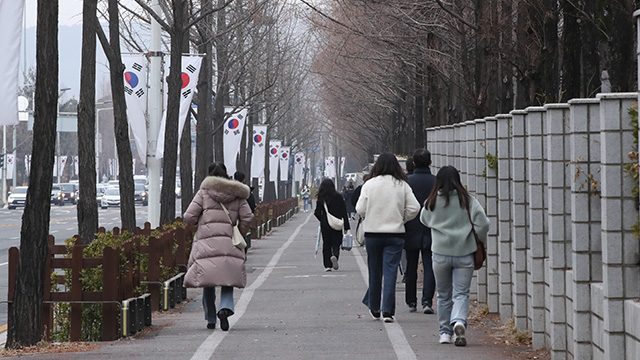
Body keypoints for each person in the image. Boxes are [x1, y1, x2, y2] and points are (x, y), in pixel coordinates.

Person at [420, 165, 489, 346]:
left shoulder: (432, 201)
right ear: (458, 180)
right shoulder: (468, 200)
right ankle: (459, 321)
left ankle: (444, 333)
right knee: (461, 294)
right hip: (464, 253)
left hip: (440, 253)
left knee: (443, 294)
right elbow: (483, 223)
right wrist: (477, 240)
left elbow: (423, 219)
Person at [183, 162, 254, 331]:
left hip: (207, 243)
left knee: (208, 281)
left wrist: (199, 223)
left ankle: (210, 318)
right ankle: (225, 308)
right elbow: (248, 217)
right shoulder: (237, 194)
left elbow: (188, 216)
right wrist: (239, 231)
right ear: (226, 175)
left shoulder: (204, 193)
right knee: (227, 279)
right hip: (230, 242)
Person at [356, 152, 420, 323]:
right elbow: (415, 207)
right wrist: (401, 218)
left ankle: (374, 306)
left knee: (374, 271)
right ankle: (388, 311)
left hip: (373, 234)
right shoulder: (402, 185)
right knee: (391, 271)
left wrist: (371, 215)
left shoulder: (369, 184)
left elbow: (360, 208)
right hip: (395, 233)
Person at [404, 149, 437, 314]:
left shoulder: (407, 182)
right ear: (430, 162)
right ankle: (427, 301)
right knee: (430, 265)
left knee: (411, 266)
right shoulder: (436, 182)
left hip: (410, 228)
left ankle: (411, 301)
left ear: (413, 164)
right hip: (431, 228)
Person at [314, 178, 350, 271]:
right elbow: (344, 212)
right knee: (336, 243)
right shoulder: (338, 197)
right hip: (337, 223)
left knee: (326, 244)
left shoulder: (321, 198)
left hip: (325, 224)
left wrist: (323, 220)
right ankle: (335, 256)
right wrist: (346, 226)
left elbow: (317, 212)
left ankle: (328, 265)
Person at [234, 171, 257, 251]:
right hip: (242, 221)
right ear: (244, 180)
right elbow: (252, 207)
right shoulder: (247, 193)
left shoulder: (230, 192)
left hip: (232, 221)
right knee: (241, 239)